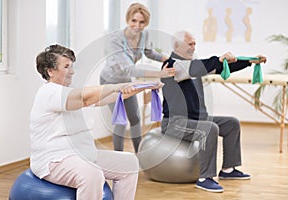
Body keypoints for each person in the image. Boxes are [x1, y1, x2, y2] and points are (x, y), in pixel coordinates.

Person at [30, 44, 164, 199]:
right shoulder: (49, 93)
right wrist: (117, 86)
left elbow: (109, 97)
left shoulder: (70, 91)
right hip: (54, 159)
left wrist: (142, 86)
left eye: (72, 66)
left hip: (84, 155)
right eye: (66, 66)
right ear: (50, 71)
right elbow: (86, 98)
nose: (72, 71)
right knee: (92, 174)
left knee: (129, 163)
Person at [160, 31, 267, 192]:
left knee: (231, 123)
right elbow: (198, 66)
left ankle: (228, 170)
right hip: (174, 123)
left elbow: (218, 67)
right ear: (176, 46)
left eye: (194, 43)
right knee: (209, 129)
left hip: (198, 119)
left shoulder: (193, 66)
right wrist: (218, 59)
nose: (193, 47)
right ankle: (204, 178)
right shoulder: (171, 65)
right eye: (190, 44)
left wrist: (249, 61)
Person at [100, 3, 175, 153]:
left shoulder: (144, 35)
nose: (137, 25)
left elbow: (149, 53)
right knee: (120, 121)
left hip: (126, 82)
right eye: (134, 21)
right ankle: (118, 158)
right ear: (128, 19)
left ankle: (139, 155)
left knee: (135, 119)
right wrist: (159, 74)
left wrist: (169, 59)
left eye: (141, 22)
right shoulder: (115, 40)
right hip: (111, 82)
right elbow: (129, 70)